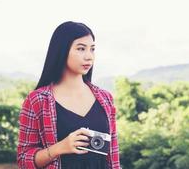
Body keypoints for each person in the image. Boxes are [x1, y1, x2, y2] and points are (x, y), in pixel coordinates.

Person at [17, 21, 120, 169]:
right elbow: (23, 160)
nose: (89, 56)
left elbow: (114, 157)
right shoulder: (37, 100)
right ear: (62, 51)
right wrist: (60, 147)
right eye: (81, 49)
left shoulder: (105, 98)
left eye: (92, 49)